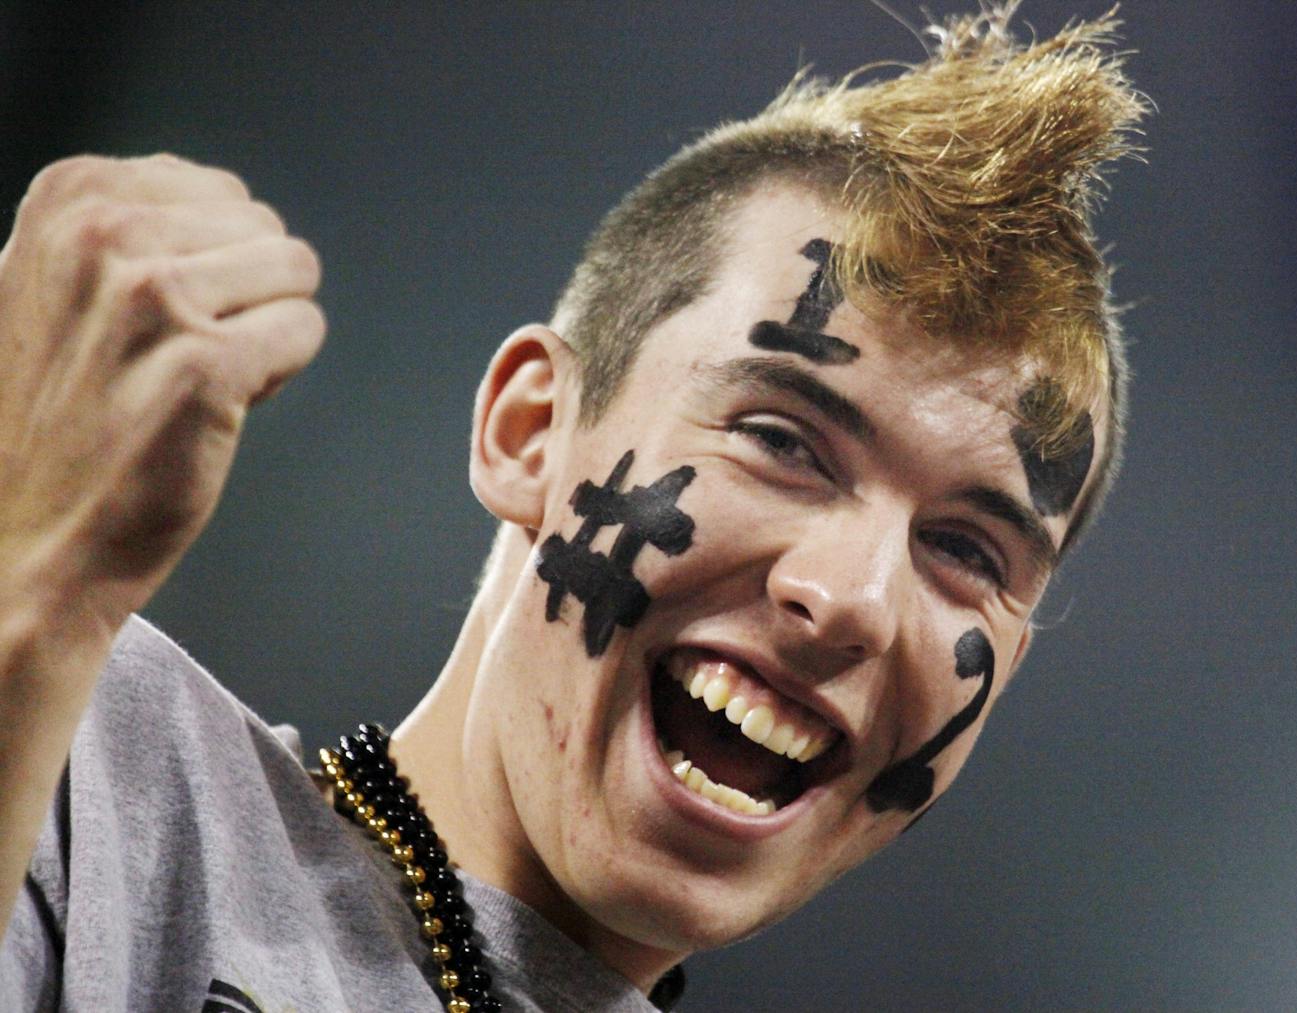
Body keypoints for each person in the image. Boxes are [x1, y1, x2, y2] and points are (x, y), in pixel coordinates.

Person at [0, 7, 1145, 1011]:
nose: (848, 597)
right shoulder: (94, 760)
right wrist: (34, 590)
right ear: (529, 431)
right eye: (782, 441)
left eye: (963, 547)